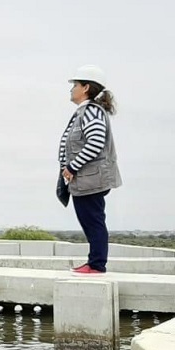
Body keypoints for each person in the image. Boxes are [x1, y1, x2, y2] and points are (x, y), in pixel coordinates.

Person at [59, 65, 122, 274]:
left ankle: (96, 264)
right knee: (90, 220)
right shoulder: (83, 112)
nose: (71, 89)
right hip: (84, 180)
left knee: (93, 220)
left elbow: (95, 142)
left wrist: (72, 167)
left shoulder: (91, 112)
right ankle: (94, 262)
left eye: (75, 85)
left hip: (91, 179)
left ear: (86, 87)